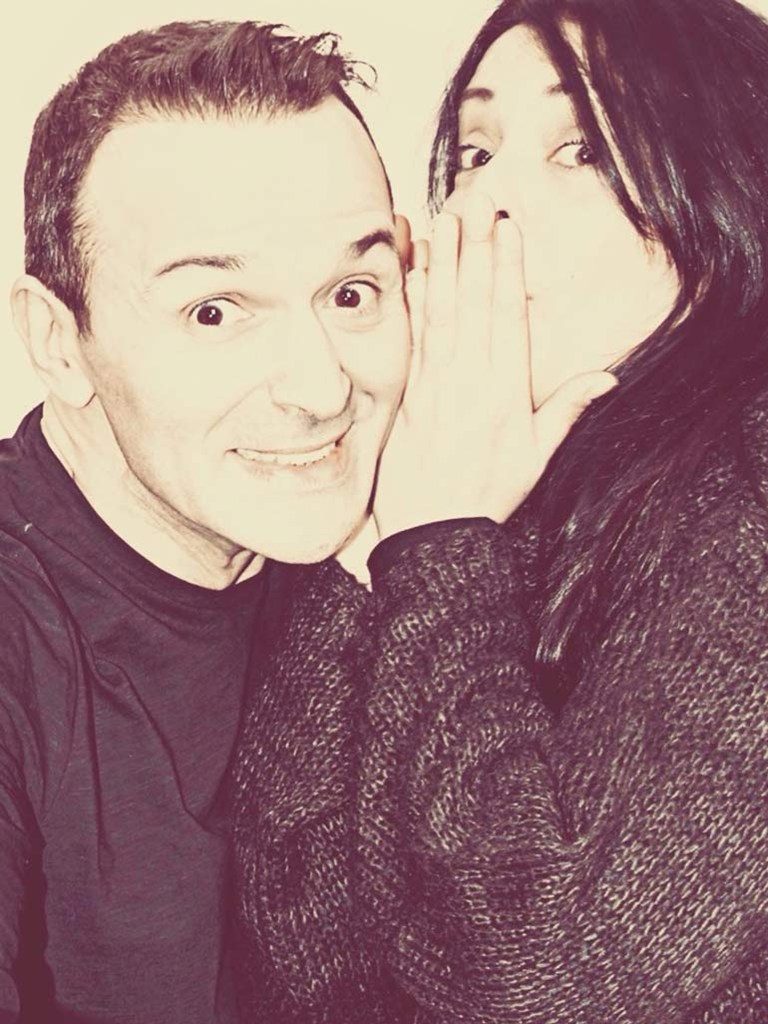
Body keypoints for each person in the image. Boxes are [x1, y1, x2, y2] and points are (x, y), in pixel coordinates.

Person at [233, 0, 768, 1021]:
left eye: (581, 149)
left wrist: (437, 545)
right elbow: (298, 942)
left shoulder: (749, 479)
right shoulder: (501, 473)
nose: (485, 204)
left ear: (726, 188)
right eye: (474, 152)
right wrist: (377, 534)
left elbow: (556, 977)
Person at [0, 19, 417, 1022]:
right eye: (215, 312)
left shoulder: (408, 553)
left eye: (351, 292)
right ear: (58, 342)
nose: (321, 390)